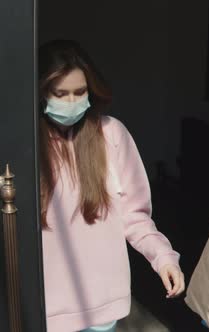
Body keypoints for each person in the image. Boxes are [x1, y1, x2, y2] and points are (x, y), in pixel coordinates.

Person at [39, 40, 185, 332]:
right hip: (47, 309)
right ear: (41, 92)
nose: (71, 102)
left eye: (79, 92)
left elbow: (135, 216)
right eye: (60, 93)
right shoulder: (26, 143)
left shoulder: (112, 134)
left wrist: (163, 258)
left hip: (104, 306)